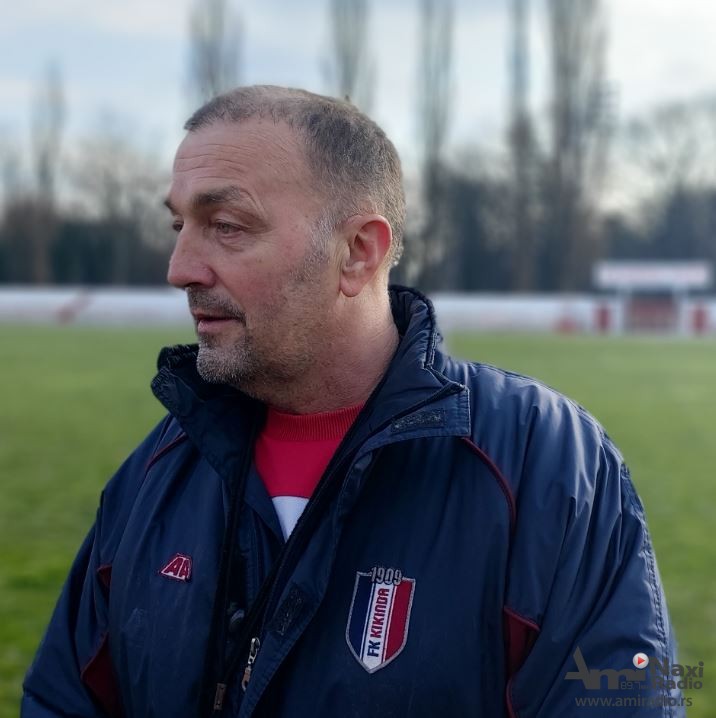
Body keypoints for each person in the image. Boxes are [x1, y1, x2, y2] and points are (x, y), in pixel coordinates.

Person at [23, 86, 684, 717]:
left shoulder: (547, 466)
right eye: (179, 224)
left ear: (358, 253)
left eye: (225, 226)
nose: (179, 268)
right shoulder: (156, 472)